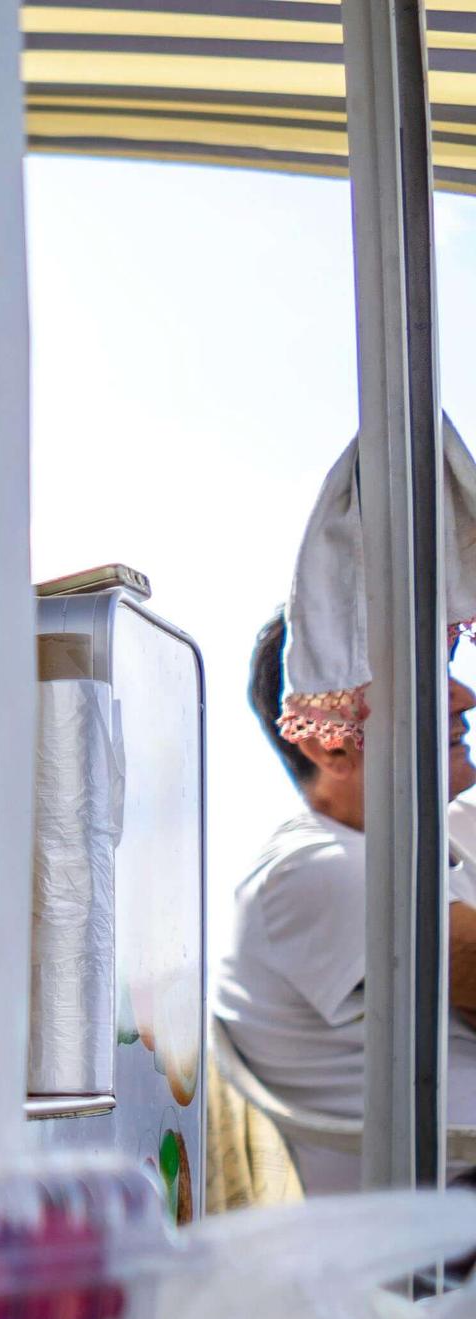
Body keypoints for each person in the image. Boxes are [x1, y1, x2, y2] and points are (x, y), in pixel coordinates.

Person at [213, 433, 476, 1192]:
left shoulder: (427, 845)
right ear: (330, 744)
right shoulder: (312, 871)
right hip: (437, 1241)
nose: (463, 697)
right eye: (427, 680)